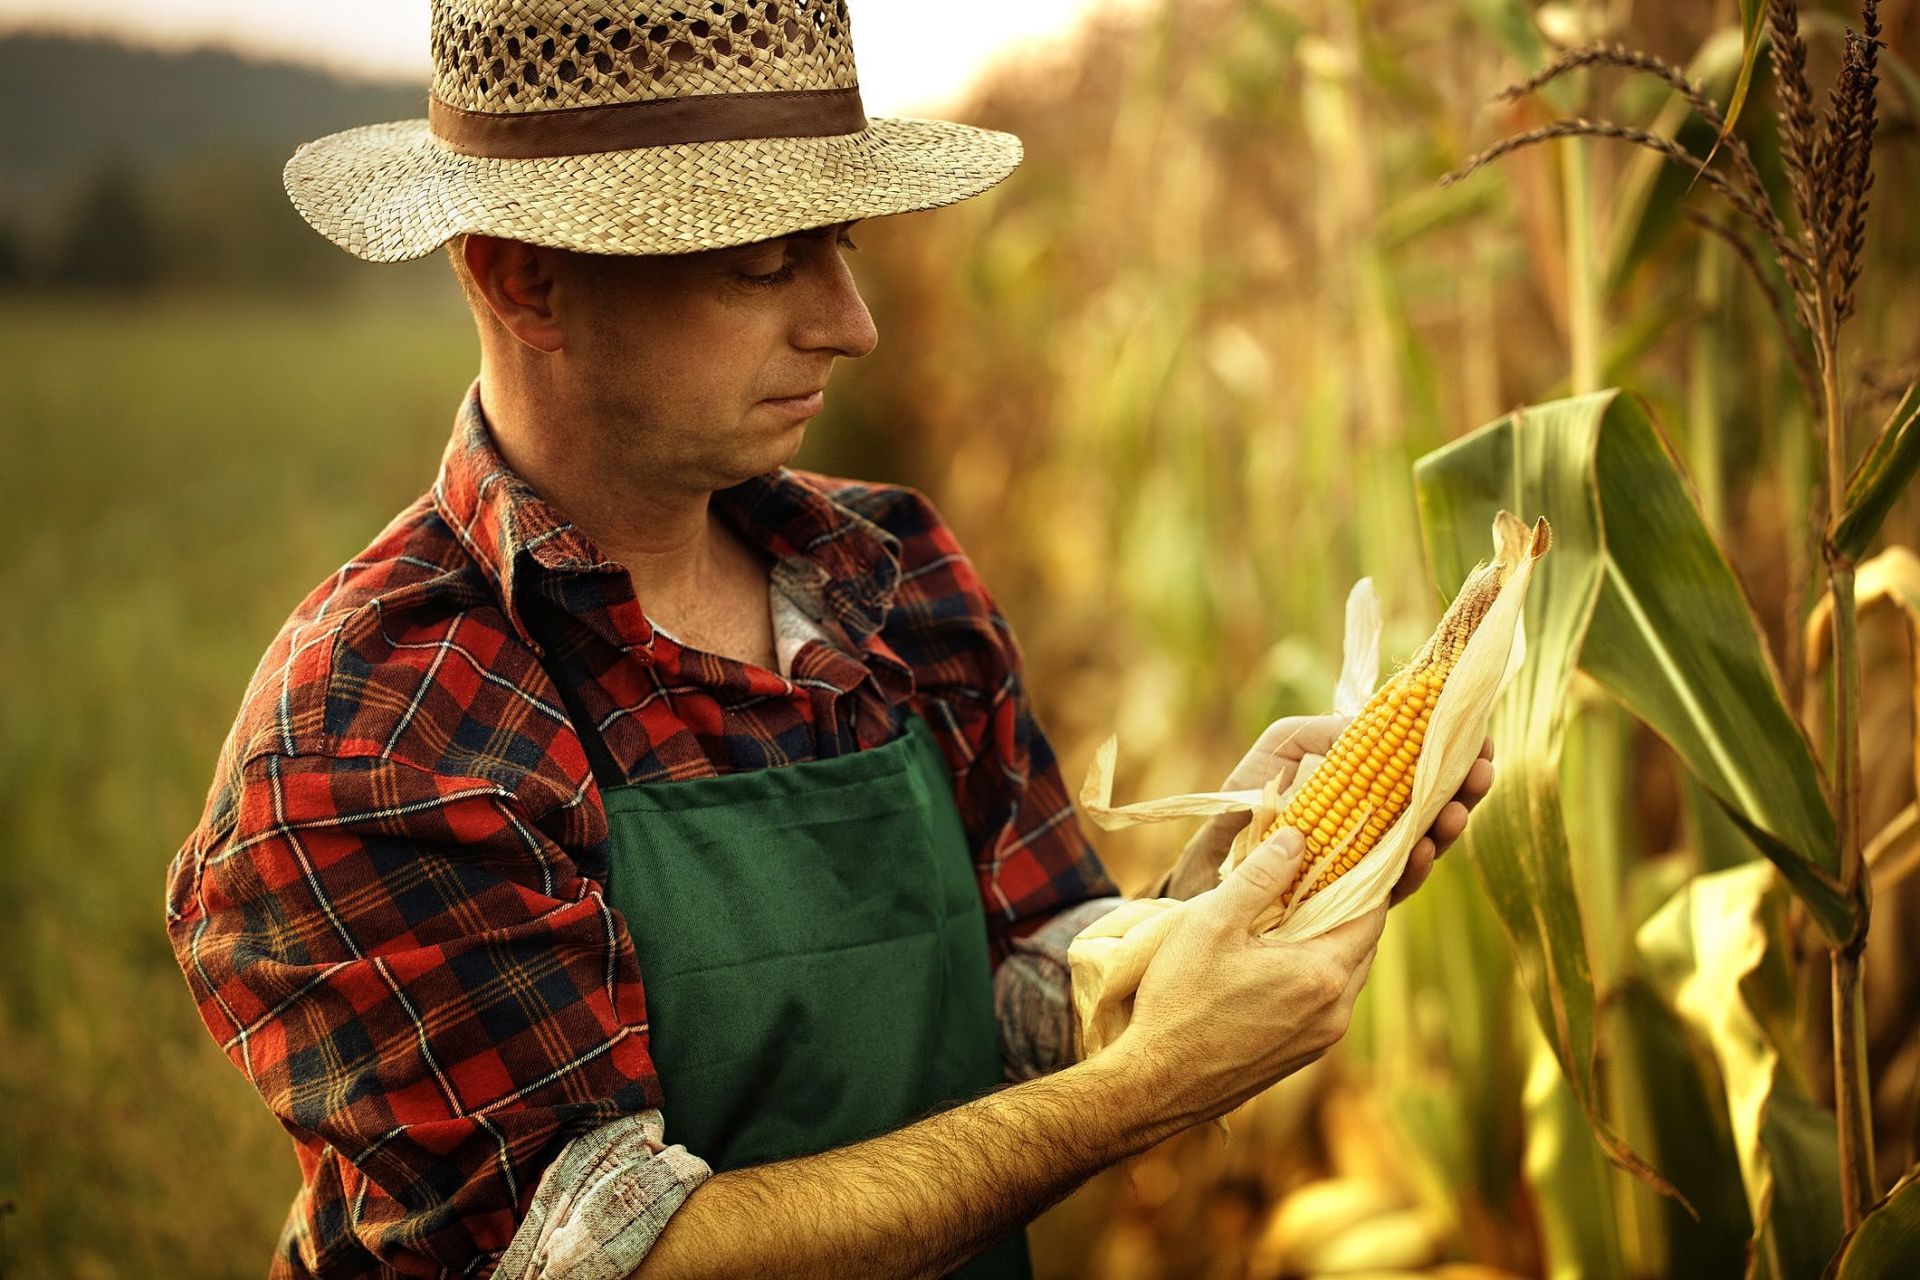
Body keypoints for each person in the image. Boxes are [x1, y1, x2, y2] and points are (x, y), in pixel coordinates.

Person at [164, 3, 1494, 1277]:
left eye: (840, 245)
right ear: (527, 281)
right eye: (764, 265)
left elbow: (1011, 988)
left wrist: (1231, 892)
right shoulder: (380, 731)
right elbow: (601, 1254)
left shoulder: (890, 577)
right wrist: (1145, 1093)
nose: (849, 324)